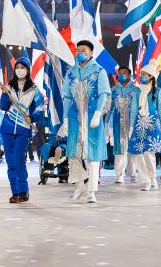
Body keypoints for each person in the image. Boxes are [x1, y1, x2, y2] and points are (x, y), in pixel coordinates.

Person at [60, 40, 111, 203]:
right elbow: (67, 97)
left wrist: (98, 113)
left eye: (83, 50)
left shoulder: (99, 71)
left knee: (93, 155)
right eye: (78, 50)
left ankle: (91, 191)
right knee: (73, 154)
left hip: (92, 118)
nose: (80, 52)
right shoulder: (71, 72)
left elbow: (104, 93)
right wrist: (66, 119)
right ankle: (79, 185)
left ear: (91, 53)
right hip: (75, 118)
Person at [0, 57, 45, 203]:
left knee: (18, 159)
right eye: (17, 67)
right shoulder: (8, 86)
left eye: (22, 67)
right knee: (10, 162)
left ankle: (24, 191)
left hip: (23, 129)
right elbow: (3, 107)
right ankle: (15, 192)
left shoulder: (34, 89)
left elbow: (40, 107)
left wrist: (32, 117)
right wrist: (5, 94)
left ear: (28, 70)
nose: (20, 70)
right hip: (7, 127)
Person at [128, 62, 161, 191]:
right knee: (139, 154)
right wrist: (131, 127)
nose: (142, 76)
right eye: (141, 74)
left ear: (151, 76)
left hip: (153, 124)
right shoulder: (137, 91)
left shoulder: (158, 91)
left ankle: (153, 179)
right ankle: (146, 181)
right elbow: (133, 110)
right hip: (139, 124)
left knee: (149, 154)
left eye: (144, 74)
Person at [108, 66, 139, 183]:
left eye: (124, 73)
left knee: (132, 150)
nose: (122, 75)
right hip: (118, 125)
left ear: (130, 75)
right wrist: (106, 124)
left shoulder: (136, 91)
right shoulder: (113, 91)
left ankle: (132, 173)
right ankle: (119, 174)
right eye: (120, 73)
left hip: (133, 124)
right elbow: (110, 109)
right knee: (119, 149)